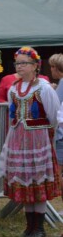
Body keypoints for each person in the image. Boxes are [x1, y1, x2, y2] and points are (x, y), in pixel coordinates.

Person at [0, 46, 61, 237]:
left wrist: (41, 131)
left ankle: (39, 228)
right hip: (19, 140)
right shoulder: (14, 89)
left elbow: (53, 115)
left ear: (35, 66)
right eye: (17, 63)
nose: (19, 66)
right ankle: (29, 226)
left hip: (38, 139)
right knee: (25, 179)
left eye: (24, 63)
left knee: (37, 180)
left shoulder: (43, 88)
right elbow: (12, 113)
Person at [49, 53, 63, 186]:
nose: (50, 70)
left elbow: (56, 104)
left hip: (61, 135)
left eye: (51, 67)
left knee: (58, 172)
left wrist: (51, 91)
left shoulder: (62, 83)